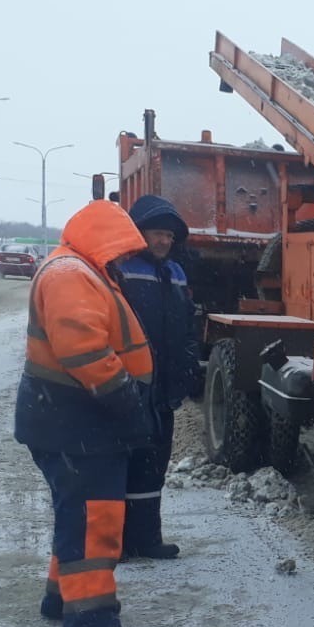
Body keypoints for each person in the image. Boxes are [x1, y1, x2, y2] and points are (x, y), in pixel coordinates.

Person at [15, 198, 156, 627]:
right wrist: (126, 401)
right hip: (78, 419)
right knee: (95, 521)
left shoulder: (76, 269)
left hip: (69, 418)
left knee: (77, 514)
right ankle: (90, 620)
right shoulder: (71, 275)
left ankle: (62, 598)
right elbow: (85, 351)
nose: (124, 258)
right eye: (121, 248)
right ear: (105, 238)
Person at [118, 194, 202, 560]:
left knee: (154, 466)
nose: (164, 241)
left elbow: (187, 327)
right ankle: (115, 543)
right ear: (139, 233)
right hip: (127, 388)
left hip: (163, 391)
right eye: (157, 233)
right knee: (121, 464)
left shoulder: (177, 274)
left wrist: (187, 369)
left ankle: (147, 539)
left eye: (169, 235)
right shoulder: (120, 269)